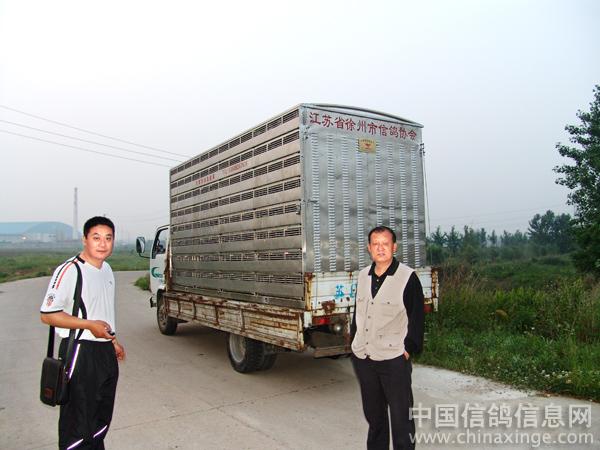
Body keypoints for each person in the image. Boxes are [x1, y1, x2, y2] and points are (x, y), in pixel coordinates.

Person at [40, 216, 125, 450]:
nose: (103, 244)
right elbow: (47, 314)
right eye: (96, 237)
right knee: (78, 419)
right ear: (85, 239)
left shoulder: (106, 269)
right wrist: (88, 325)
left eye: (108, 238)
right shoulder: (70, 270)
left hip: (104, 352)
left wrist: (113, 342)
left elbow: (104, 310)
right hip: (80, 351)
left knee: (101, 415)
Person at [351, 225, 425, 450]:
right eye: (376, 244)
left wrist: (408, 349)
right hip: (364, 358)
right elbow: (358, 314)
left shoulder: (407, 277)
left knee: (402, 419)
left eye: (385, 244)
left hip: (394, 359)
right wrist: (353, 341)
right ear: (369, 248)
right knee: (375, 418)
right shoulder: (363, 276)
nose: (380, 248)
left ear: (394, 247)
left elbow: (417, 318)